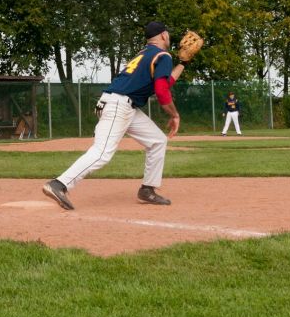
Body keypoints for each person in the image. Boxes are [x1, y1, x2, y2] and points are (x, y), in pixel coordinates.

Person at [43, 21, 186, 210]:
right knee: (102, 153)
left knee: (157, 141)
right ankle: (59, 184)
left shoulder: (144, 54)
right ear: (163, 35)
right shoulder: (163, 55)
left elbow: (164, 83)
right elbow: (161, 91)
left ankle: (147, 190)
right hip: (119, 105)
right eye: (168, 34)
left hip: (122, 105)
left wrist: (183, 64)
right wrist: (175, 115)